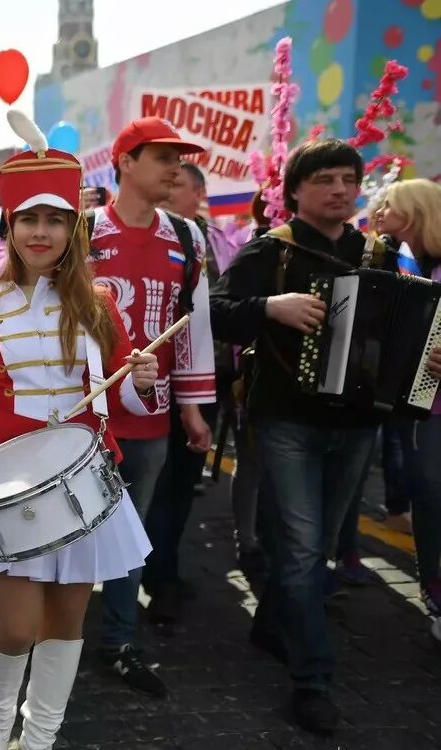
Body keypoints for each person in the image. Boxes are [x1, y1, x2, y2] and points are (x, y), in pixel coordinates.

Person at [0, 130, 158, 750]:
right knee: (18, 626)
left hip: (83, 473)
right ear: (10, 226)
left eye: (56, 220)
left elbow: (121, 396)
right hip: (10, 477)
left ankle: (40, 739)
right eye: (30, 220)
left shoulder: (100, 303)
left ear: (72, 231)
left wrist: (141, 379)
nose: (41, 233)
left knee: (66, 621)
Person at [210, 139, 402, 735]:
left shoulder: (378, 252)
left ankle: (271, 625)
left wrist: (423, 357)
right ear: (294, 190)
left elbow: (400, 324)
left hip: (357, 421)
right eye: (325, 180)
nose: (340, 190)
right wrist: (270, 306)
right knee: (297, 549)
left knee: (314, 547)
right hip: (286, 416)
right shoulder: (272, 250)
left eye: (349, 180)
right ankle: (312, 680)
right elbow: (214, 309)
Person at [86, 118, 216, 698]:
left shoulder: (187, 238)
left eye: (179, 158)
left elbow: (193, 327)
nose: (175, 168)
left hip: (150, 418)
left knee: (129, 531)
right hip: (80, 420)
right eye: (163, 156)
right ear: (125, 162)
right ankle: (48, 633)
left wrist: (192, 405)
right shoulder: (79, 232)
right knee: (66, 529)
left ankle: (116, 641)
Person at [142, 160, 225, 623]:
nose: (194, 197)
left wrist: (194, 400)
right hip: (136, 391)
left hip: (190, 385)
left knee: (175, 489)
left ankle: (162, 575)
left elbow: (202, 319)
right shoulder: (103, 235)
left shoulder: (198, 239)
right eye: (175, 181)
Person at [374, 178, 441, 617]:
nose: (380, 212)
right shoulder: (404, 264)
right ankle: (434, 588)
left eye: (388, 205)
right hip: (425, 407)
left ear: (413, 212)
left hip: (432, 404)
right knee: (430, 495)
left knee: (432, 494)